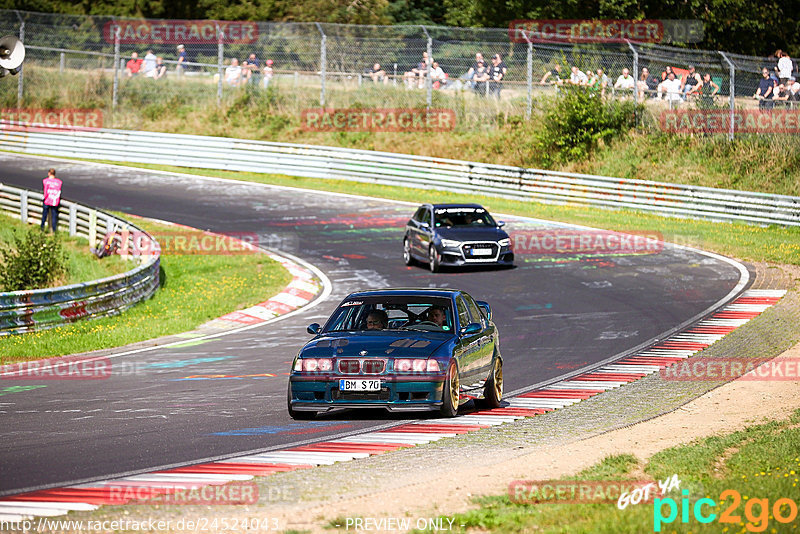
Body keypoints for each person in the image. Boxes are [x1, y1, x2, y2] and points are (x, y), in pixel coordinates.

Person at [40, 168, 62, 233]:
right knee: (54, 216)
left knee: (44, 215)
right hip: (54, 201)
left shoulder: (45, 181)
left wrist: (44, 198)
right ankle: (54, 230)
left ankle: (42, 228)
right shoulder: (59, 182)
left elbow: (45, 192)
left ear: (49, 173)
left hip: (47, 200)